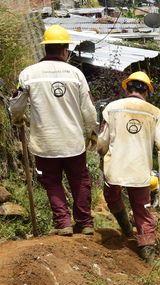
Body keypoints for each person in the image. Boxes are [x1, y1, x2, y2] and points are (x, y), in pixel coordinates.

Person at [9, 25, 97, 236]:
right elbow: (89, 109)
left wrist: (18, 117)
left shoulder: (28, 74)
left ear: (45, 48)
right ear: (65, 49)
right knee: (80, 181)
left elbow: (17, 104)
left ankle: (63, 223)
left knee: (52, 182)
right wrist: (92, 131)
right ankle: (85, 223)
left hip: (45, 143)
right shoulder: (76, 74)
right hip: (73, 142)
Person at [97, 71, 160, 263]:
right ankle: (147, 252)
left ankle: (126, 230)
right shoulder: (154, 112)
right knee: (142, 209)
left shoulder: (111, 108)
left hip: (114, 168)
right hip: (140, 170)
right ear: (147, 91)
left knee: (112, 198)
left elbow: (102, 142)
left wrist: (102, 154)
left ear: (127, 88)